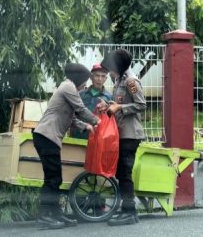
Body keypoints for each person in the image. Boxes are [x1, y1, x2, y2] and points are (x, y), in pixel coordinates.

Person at [33, 63, 101, 230]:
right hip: (47, 136)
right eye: (85, 80)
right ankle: (44, 217)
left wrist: (86, 126)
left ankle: (55, 214)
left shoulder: (67, 87)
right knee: (53, 179)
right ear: (78, 78)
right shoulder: (68, 86)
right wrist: (97, 120)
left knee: (55, 178)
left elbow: (71, 117)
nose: (85, 84)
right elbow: (80, 109)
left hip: (47, 137)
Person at [100, 49, 146, 226]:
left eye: (111, 68)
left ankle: (129, 211)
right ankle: (127, 210)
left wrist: (120, 108)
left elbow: (141, 105)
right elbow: (120, 102)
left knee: (124, 173)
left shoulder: (131, 81)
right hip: (121, 133)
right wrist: (110, 105)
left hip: (130, 134)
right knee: (121, 173)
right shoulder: (119, 80)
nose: (109, 72)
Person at [71, 63, 113, 139]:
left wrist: (107, 107)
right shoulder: (80, 94)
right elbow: (71, 115)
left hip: (98, 138)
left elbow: (111, 118)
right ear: (91, 77)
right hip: (79, 135)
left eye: (103, 76)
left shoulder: (109, 97)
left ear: (106, 79)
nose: (100, 79)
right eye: (97, 75)